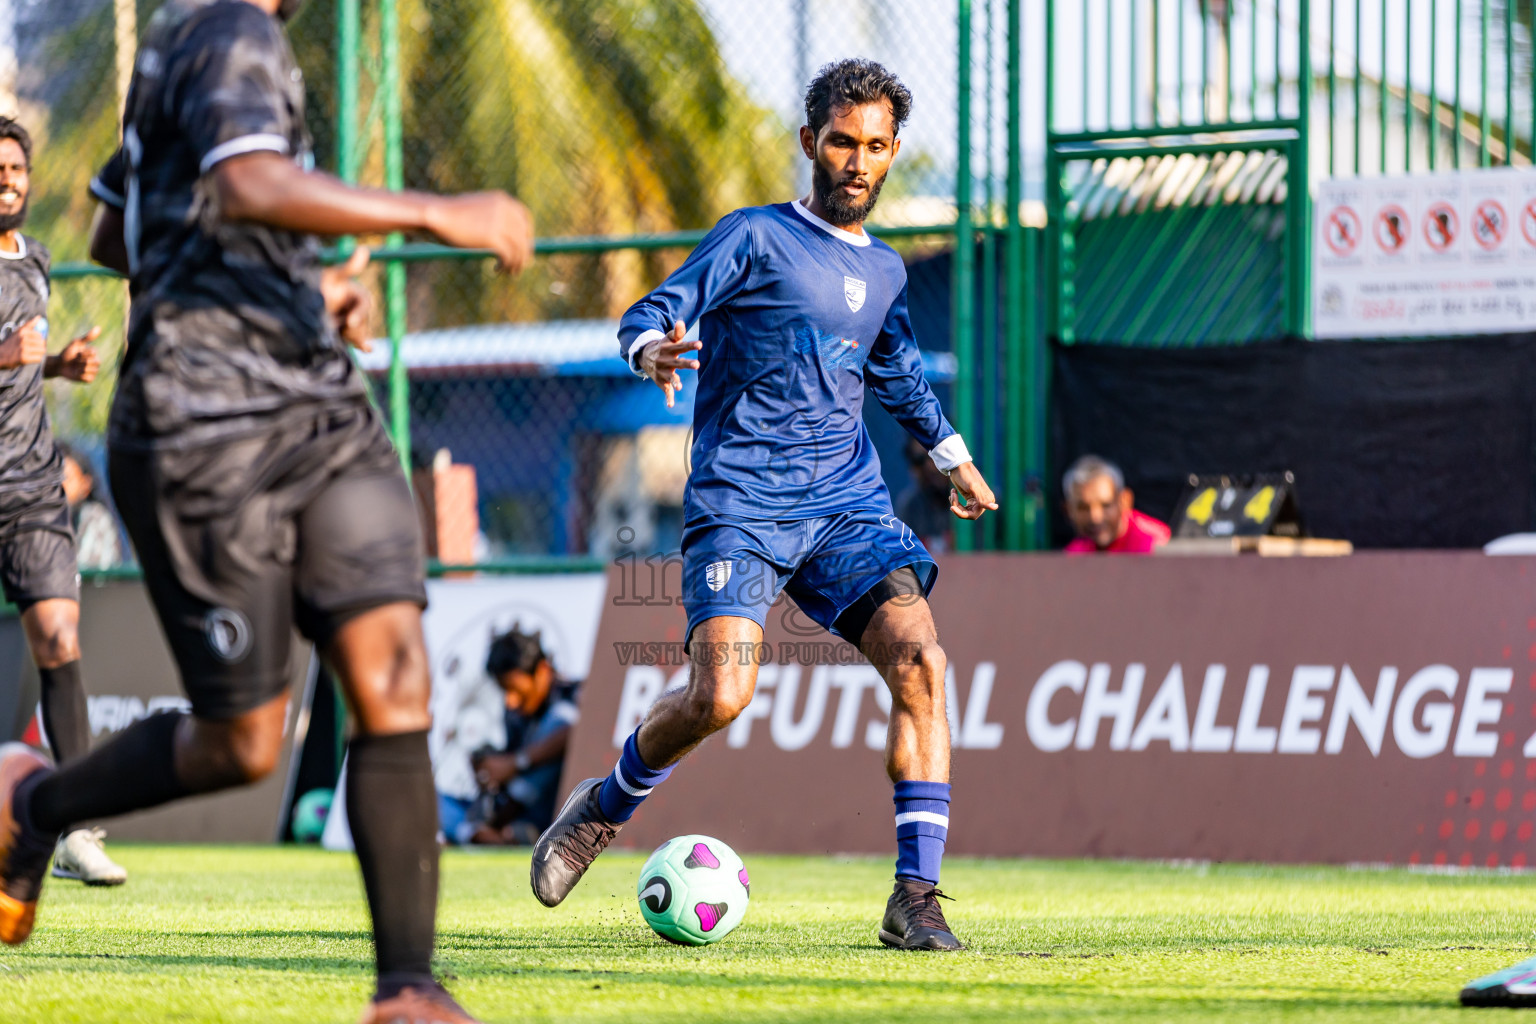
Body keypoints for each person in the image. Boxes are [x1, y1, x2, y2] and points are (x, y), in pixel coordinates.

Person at [0, 2, 533, 1022]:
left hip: (319, 407)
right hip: (205, 429)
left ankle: (407, 988)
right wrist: (431, 211)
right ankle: (37, 803)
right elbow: (244, 184)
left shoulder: (194, 47)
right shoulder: (225, 31)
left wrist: (296, 287)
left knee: (394, 674)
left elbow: (122, 229)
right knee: (241, 740)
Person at [530, 59, 997, 952]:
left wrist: (953, 458)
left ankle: (916, 896)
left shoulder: (890, 272)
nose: (857, 162)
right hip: (740, 503)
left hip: (847, 506)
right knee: (721, 696)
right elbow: (654, 310)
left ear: (895, 151)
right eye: (840, 142)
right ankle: (601, 808)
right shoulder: (752, 238)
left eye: (875, 146)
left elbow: (893, 366)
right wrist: (648, 351)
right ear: (808, 143)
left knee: (921, 660)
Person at [0, 118, 129, 887]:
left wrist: (55, 366)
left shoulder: (36, 260)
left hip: (32, 487)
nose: (5, 178)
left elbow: (20, 367)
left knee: (59, 640)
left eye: (14, 166)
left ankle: (77, 827)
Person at [454, 625, 580, 846]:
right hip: (514, 811)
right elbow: (509, 762)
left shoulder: (575, 694)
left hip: (555, 811)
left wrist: (516, 763)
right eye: (505, 691)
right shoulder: (514, 712)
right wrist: (489, 769)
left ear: (542, 671)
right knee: (439, 802)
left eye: (516, 689)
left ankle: (491, 831)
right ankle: (481, 833)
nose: (510, 701)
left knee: (561, 720)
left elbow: (574, 733)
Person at [1062, 455, 1170, 554]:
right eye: (1084, 508)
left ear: (1124, 501)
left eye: (1105, 505)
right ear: (1069, 510)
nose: (1095, 518)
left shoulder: (1155, 546)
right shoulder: (1074, 553)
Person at [57, 444, 123, 570]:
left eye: (67, 478)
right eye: (56, 480)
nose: (61, 486)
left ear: (85, 484)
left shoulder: (96, 518)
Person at [896, 437, 956, 554]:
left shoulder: (976, 501)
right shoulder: (910, 506)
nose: (930, 467)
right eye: (919, 460)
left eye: (936, 456)